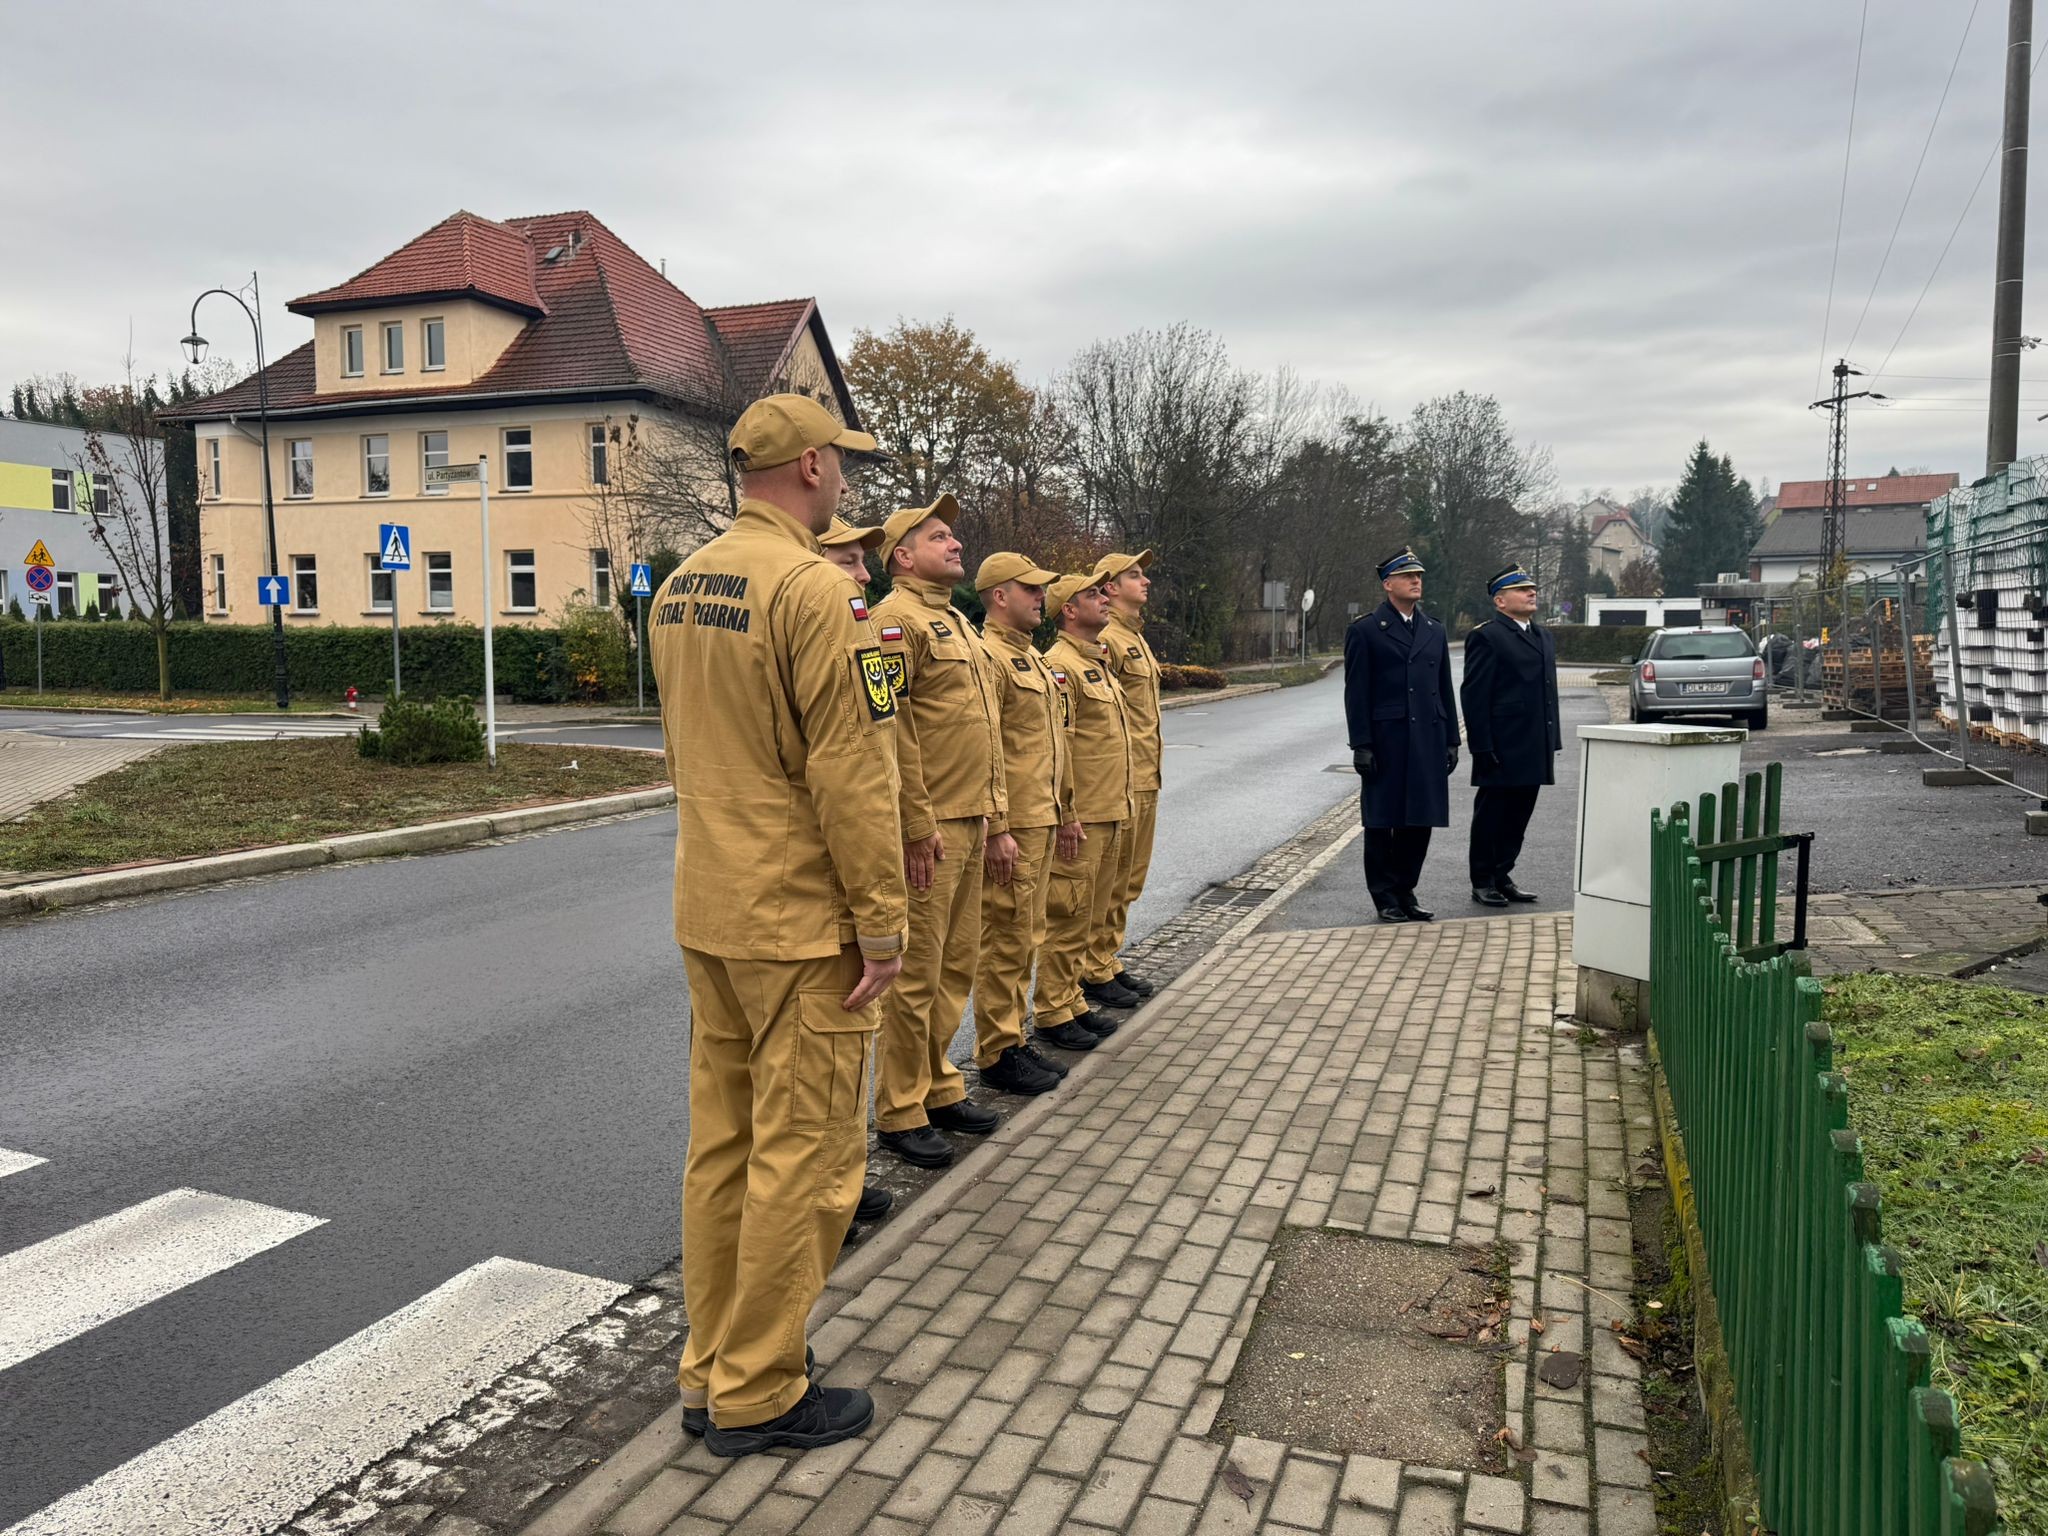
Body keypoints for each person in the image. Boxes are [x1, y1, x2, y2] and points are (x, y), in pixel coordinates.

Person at [649, 393, 903, 1457]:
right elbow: (851, 772)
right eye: (837, 461)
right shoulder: (810, 591)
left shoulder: (677, 587)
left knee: (723, 1150)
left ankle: (709, 1367)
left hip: (711, 906)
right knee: (802, 1161)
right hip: (800, 925)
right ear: (805, 468)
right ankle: (756, 1389)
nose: (842, 478)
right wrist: (882, 923)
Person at [870, 495, 1007, 1169]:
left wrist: (998, 817)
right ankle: (898, 1108)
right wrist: (917, 824)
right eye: (939, 536)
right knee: (917, 975)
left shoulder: (958, 622)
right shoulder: (894, 622)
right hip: (933, 830)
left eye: (954, 536)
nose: (955, 544)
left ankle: (937, 1085)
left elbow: (988, 734)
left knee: (956, 966)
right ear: (902, 555)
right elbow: (891, 733)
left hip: (973, 818)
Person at [968, 551, 1076, 1096]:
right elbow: (987, 749)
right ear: (1000, 596)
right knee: (1005, 939)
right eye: (1030, 589)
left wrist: (1063, 811)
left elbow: (1048, 744)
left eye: (1042, 589)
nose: (1041, 597)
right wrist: (998, 826)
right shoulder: (989, 657)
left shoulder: (1030, 658)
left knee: (1026, 937)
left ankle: (1012, 1038)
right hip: (1015, 822)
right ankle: (997, 1051)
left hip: (1041, 817)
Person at [815, 512, 897, 1229]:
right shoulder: (833, 620)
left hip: (723, 896)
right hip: (812, 891)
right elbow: (857, 773)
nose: (862, 576)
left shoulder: (689, 595)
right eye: (849, 561)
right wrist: (881, 924)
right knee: (821, 1083)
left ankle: (839, 1179)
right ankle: (829, 1196)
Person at [1035, 572, 1135, 1050]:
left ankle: (1072, 997)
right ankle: (1052, 1007)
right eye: (1093, 595)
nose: (1104, 599)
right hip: (1084, 814)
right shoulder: (1061, 666)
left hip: (1111, 807)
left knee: (1091, 914)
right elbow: (1062, 747)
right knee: (1068, 914)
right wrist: (1067, 812)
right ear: (1069, 611)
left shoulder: (1096, 662)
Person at [1343, 547, 1459, 922]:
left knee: (1419, 821)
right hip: (1387, 741)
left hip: (1427, 738)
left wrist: (1452, 740)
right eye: (1408, 576)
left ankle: (1406, 890)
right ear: (1388, 584)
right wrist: (1361, 744)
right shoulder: (1365, 630)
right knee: (1382, 822)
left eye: (1419, 576)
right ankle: (1385, 897)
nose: (1416, 581)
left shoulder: (1434, 630)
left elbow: (1444, 687)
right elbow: (1356, 693)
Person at [1460, 564, 1561, 907]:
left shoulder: (1543, 636)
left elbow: (1547, 694)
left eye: (1532, 588)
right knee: (1492, 815)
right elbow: (1475, 696)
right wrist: (1482, 746)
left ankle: (1503, 874)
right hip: (1502, 745)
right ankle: (1483, 879)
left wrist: (1552, 739)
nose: (1531, 593)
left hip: (1534, 742)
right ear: (1500, 601)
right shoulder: (1487, 636)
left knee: (1519, 816)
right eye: (1522, 589)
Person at [1087, 549, 1160, 1008]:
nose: (1145, 582)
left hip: (1146, 775)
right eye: (1134, 575)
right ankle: (1092, 967)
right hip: (1122, 778)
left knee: (1129, 880)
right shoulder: (1108, 639)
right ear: (1109, 587)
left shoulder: (1136, 638)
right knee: (1109, 881)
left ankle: (1107, 958)